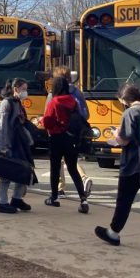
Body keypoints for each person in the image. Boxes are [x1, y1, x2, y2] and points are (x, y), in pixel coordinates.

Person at [95, 84, 140, 254]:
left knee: (124, 200)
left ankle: (113, 233)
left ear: (124, 99)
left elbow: (124, 140)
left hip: (135, 165)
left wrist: (116, 135)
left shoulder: (130, 112)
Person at [41, 75, 90, 213]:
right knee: (73, 168)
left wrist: (42, 122)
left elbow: (48, 121)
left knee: (55, 168)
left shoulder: (54, 102)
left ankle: (54, 197)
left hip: (57, 138)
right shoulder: (73, 101)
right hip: (71, 139)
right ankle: (83, 199)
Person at [51, 66, 94, 198]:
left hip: (58, 134)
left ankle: (58, 190)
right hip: (74, 133)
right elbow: (86, 114)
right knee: (71, 161)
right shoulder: (77, 92)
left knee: (58, 163)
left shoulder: (55, 94)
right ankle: (83, 180)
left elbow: (49, 117)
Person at [0, 78, 36, 214]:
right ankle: (2, 202)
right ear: (15, 89)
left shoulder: (17, 103)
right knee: (6, 175)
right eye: (23, 89)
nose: (26, 92)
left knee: (23, 171)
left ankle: (16, 199)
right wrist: (3, 147)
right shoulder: (6, 103)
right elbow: (2, 126)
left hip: (18, 143)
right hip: (8, 144)